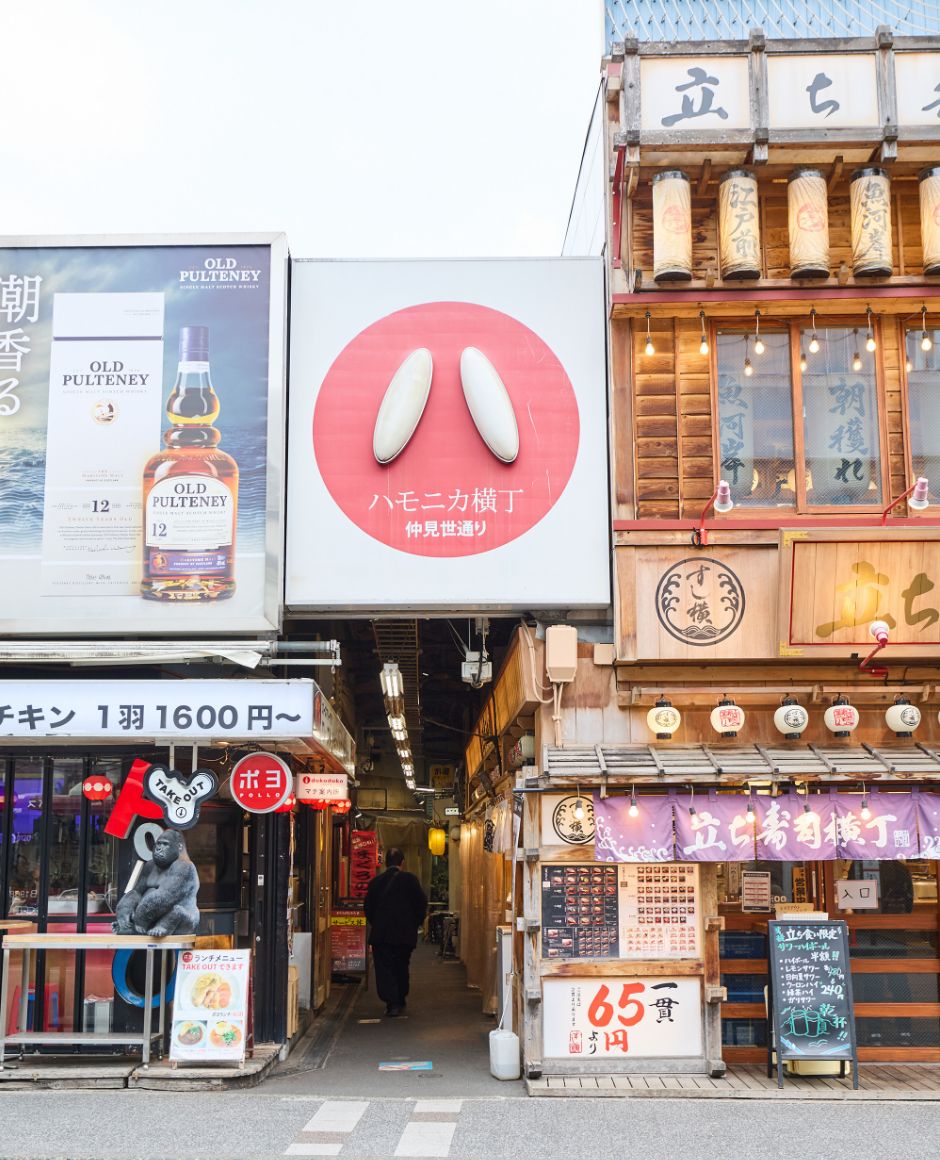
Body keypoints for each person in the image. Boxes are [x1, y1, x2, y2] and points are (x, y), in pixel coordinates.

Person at [364, 848, 428, 1017]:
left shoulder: (375, 882)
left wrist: (377, 923)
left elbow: (368, 908)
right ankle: (400, 997)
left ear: (386, 863)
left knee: (385, 967)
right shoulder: (411, 880)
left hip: (381, 935)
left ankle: (391, 1002)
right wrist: (415, 924)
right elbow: (421, 905)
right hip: (404, 934)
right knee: (401, 965)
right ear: (402, 862)